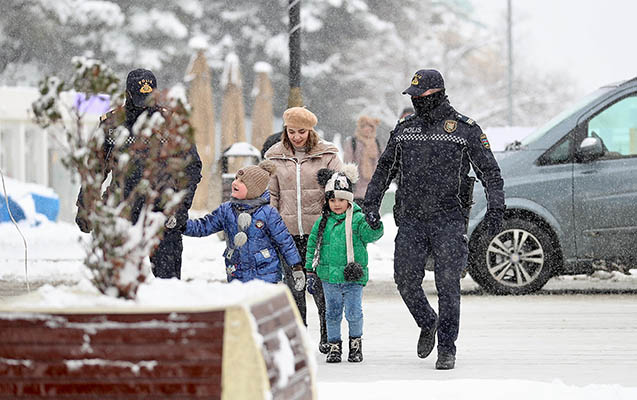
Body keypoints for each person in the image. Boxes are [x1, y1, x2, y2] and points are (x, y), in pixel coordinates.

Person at [363, 69, 505, 370]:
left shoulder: (465, 130)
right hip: (411, 219)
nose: (415, 101)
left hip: (449, 219)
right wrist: (371, 204)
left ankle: (446, 348)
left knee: (448, 285)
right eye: (412, 97)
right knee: (405, 281)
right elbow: (384, 170)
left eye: (419, 96)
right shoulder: (405, 128)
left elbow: (489, 172)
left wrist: (496, 208)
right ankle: (428, 322)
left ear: (437, 93)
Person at [75, 68, 202, 280]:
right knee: (118, 283)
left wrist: (180, 208)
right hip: (121, 212)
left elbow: (192, 168)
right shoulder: (112, 124)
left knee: (167, 285)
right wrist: (86, 208)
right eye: (140, 98)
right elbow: (94, 170)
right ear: (128, 94)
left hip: (161, 214)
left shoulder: (171, 123)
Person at [265, 106, 343, 354]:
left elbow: (340, 190)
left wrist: (333, 221)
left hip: (319, 233)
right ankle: (298, 337)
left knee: (322, 287)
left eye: (301, 131)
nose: (296, 136)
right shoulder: (274, 156)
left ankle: (328, 335)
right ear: (284, 131)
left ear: (311, 131)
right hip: (287, 234)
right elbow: (272, 194)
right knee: (294, 287)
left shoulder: (328, 154)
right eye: (291, 131)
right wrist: (272, 225)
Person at [298, 164, 383, 363]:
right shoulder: (322, 222)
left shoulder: (358, 220)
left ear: (349, 200)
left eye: (342, 200)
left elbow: (371, 235)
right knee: (332, 313)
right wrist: (310, 270)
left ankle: (356, 343)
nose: (337, 204)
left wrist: (375, 224)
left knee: (354, 313)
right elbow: (313, 247)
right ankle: (334, 345)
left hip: (353, 276)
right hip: (329, 278)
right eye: (332, 200)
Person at [183, 161, 301, 283]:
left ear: (253, 189)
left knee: (260, 302)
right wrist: (181, 225)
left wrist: (296, 266)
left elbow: (285, 241)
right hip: (237, 272)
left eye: (242, 181)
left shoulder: (268, 212)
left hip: (265, 273)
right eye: (236, 178)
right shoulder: (226, 210)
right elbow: (204, 226)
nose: (235, 182)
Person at [342, 115, 382, 204]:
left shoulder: (376, 142)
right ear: (360, 128)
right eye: (364, 126)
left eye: (370, 126)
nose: (367, 129)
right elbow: (347, 164)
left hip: (372, 189)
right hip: (357, 189)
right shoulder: (352, 142)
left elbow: (380, 163)